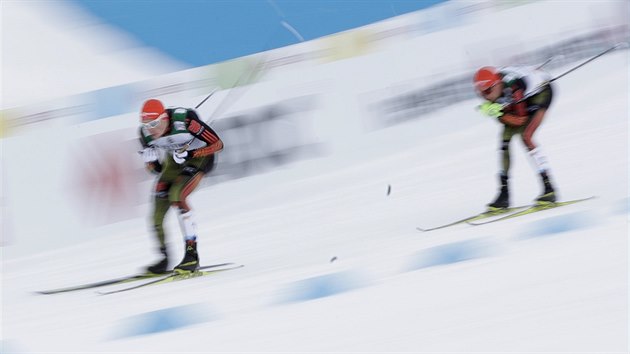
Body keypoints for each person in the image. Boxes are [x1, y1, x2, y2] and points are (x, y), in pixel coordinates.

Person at [138, 99, 223, 274]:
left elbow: (218, 145)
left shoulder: (186, 122)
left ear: (164, 118)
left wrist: (192, 153)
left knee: (177, 195)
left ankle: (192, 256)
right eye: (146, 125)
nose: (151, 129)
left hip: (201, 157)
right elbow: (158, 170)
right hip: (175, 160)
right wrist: (151, 163)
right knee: (157, 210)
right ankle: (164, 259)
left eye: (154, 123)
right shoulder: (145, 134)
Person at [473, 65, 557, 210]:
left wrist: (499, 113)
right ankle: (504, 194)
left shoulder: (514, 87)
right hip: (521, 96)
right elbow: (506, 120)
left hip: (541, 92)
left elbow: (520, 120)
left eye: (487, 91)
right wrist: (499, 113)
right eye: (481, 94)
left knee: (526, 137)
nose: (486, 97)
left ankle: (549, 189)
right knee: (504, 142)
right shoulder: (494, 90)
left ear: (497, 84)